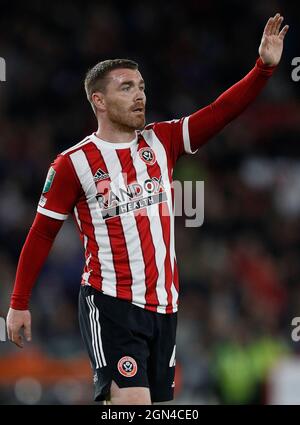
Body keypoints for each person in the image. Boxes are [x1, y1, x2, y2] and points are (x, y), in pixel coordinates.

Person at [6, 14, 288, 405]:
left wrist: (263, 69)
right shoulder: (73, 164)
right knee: (133, 404)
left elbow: (221, 112)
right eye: (126, 88)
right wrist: (19, 303)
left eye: (141, 86)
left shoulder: (162, 140)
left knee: (153, 408)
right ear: (99, 101)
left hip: (165, 304)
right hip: (111, 302)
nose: (139, 95)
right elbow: (41, 234)